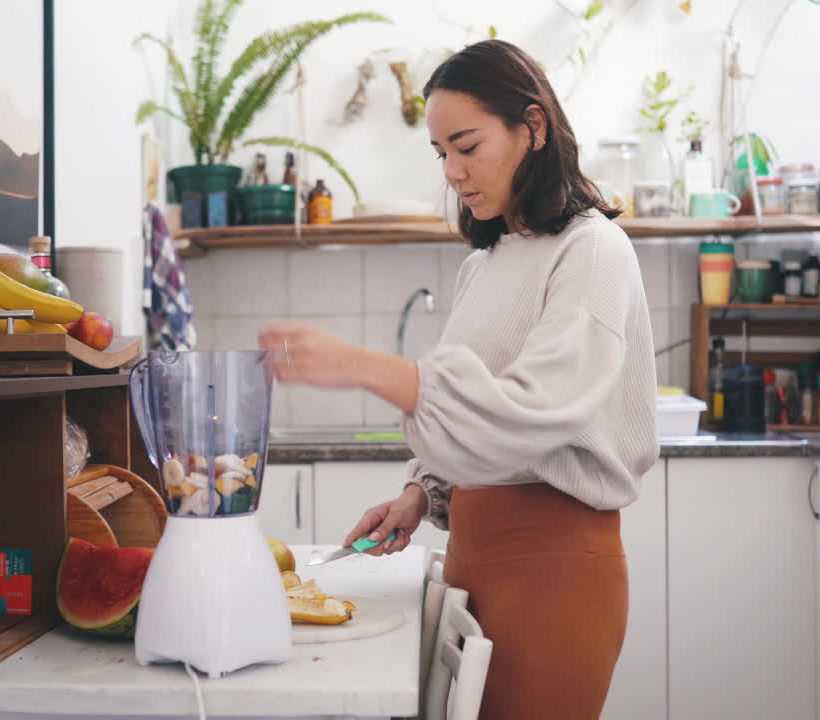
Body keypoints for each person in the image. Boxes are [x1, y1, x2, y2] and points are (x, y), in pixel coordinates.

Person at [258, 38, 657, 720]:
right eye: (441, 153)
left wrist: (364, 367)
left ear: (532, 127)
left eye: (467, 147)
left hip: (557, 569)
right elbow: (486, 422)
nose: (452, 171)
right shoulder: (486, 262)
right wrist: (423, 491)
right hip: (475, 557)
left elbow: (534, 413)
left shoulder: (592, 250)